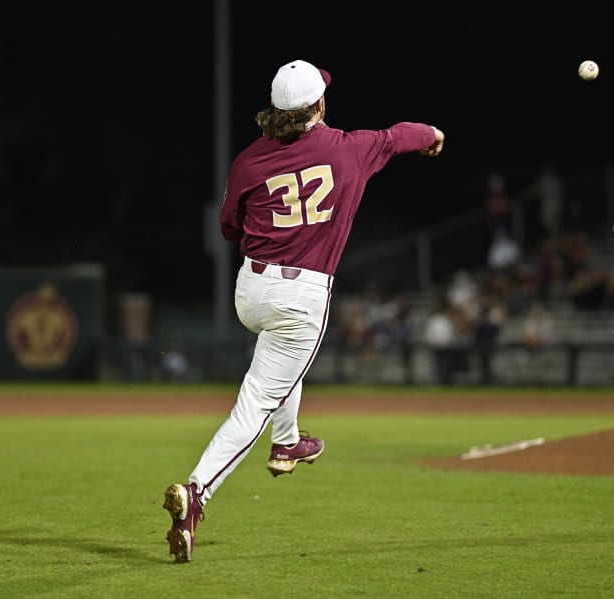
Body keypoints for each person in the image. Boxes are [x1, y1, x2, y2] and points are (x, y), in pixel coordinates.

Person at [163, 59, 445, 563]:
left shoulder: (249, 160)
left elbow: (229, 228)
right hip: (302, 295)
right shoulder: (350, 149)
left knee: (282, 360)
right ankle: (197, 494)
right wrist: (432, 135)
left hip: (251, 289)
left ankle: (287, 444)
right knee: (257, 398)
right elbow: (399, 135)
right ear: (319, 104)